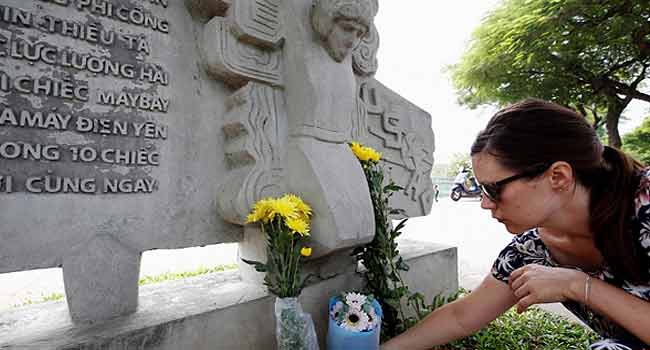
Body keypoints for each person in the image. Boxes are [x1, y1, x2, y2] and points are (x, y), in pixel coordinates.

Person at [381, 99, 650, 349]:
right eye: (480, 189)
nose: (485, 203)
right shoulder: (531, 251)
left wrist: (579, 285)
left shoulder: (644, 204)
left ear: (558, 176)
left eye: (493, 189)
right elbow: (461, 317)